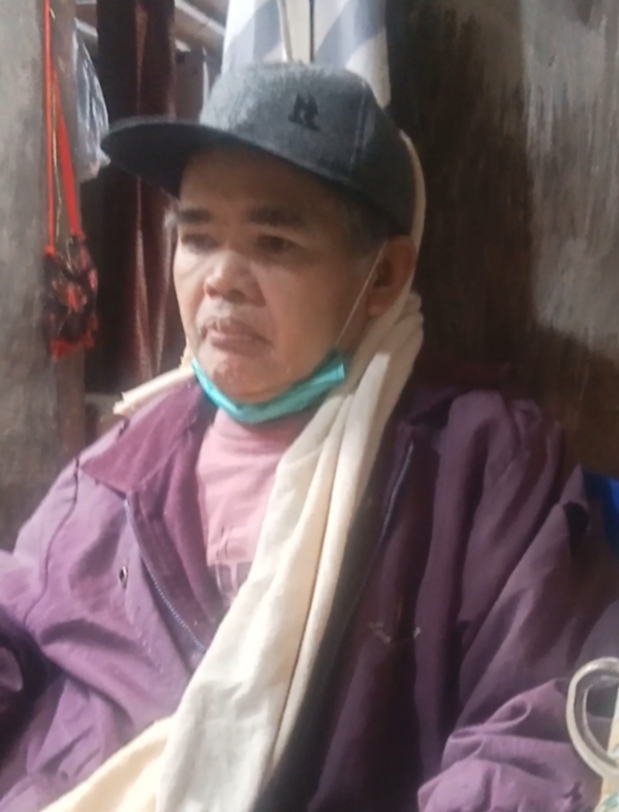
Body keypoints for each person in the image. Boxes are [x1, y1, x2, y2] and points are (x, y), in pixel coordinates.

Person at [0, 62, 617, 812]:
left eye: (274, 243)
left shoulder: (479, 465)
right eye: (197, 238)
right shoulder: (116, 467)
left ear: (383, 277)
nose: (221, 279)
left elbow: (536, 730)